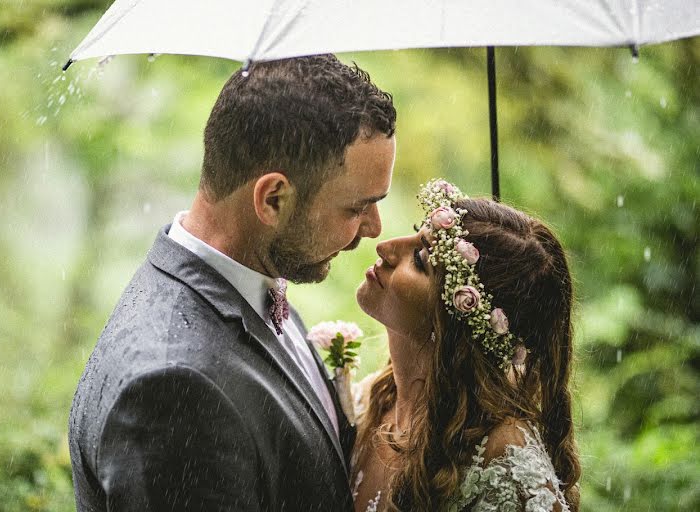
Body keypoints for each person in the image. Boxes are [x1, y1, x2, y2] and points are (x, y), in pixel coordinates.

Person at [68, 54, 397, 511]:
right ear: (273, 198)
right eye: (356, 207)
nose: (374, 228)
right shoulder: (174, 391)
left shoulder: (252, 282)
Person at [352, 179, 581, 511]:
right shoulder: (368, 401)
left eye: (419, 259)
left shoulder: (500, 460)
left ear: (457, 321)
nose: (385, 247)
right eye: (418, 231)